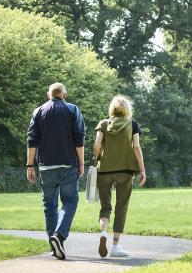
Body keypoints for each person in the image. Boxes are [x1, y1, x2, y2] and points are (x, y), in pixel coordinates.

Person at [26, 82, 86, 260]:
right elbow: (79, 139)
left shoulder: (38, 111)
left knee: (49, 204)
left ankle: (54, 245)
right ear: (64, 95)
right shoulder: (72, 110)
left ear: (48, 94)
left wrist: (30, 166)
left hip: (45, 166)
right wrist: (81, 163)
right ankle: (59, 236)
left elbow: (32, 140)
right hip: (68, 165)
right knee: (70, 201)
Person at [93, 95, 146, 258]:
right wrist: (142, 170)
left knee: (105, 207)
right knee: (121, 207)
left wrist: (97, 159)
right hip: (125, 171)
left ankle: (103, 233)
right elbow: (136, 148)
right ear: (127, 109)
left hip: (104, 172)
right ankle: (115, 247)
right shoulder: (132, 124)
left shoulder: (103, 124)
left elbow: (96, 146)